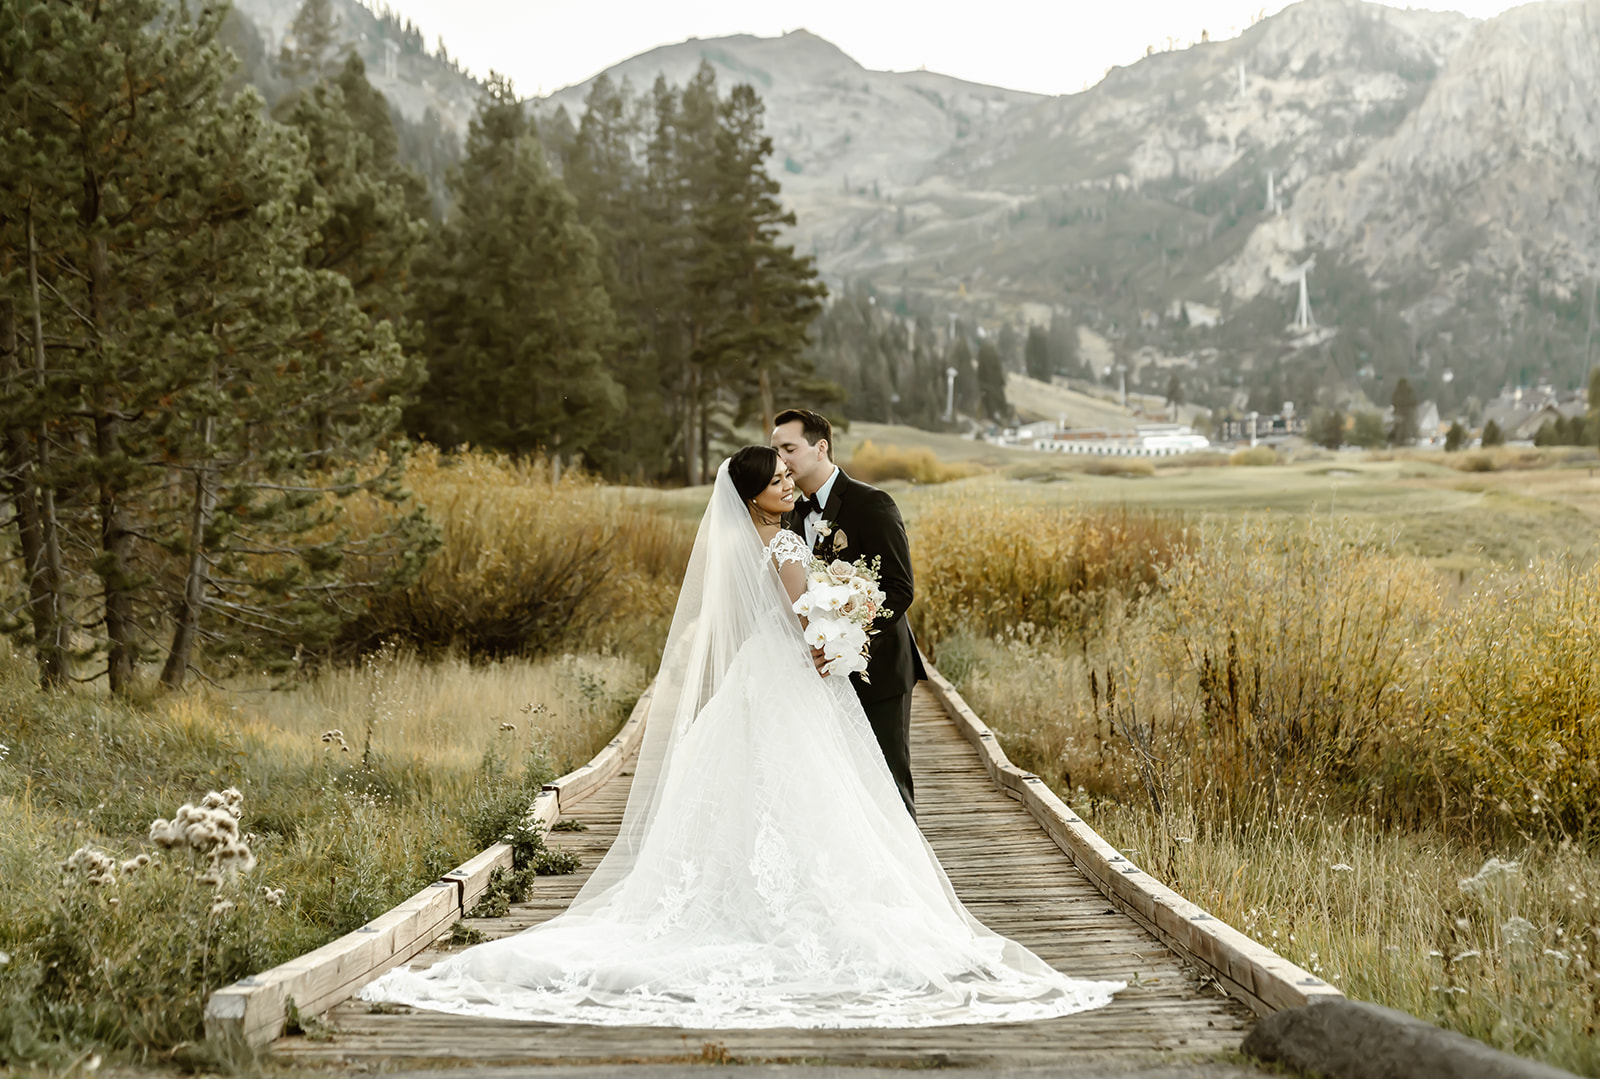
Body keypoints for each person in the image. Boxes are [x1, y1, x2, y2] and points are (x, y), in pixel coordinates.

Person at [359, 448, 1120, 1028]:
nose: (790, 485)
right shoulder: (785, 546)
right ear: (756, 493)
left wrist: (835, 612)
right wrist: (843, 618)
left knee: (748, 789)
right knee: (808, 792)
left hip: (755, 681)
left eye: (790, 476)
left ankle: (740, 894)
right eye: (779, 481)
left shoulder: (737, 545)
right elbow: (803, 619)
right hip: (787, 677)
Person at [771, 408, 923, 817]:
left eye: (789, 448)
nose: (781, 460)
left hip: (878, 671)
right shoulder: (787, 513)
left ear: (821, 448)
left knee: (888, 785)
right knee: (837, 790)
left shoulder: (872, 503)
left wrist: (846, 636)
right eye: (776, 450)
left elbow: (899, 588)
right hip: (817, 677)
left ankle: (906, 878)